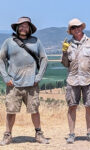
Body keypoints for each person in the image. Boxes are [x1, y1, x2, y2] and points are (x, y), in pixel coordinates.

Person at [0, 17, 49, 145]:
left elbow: (44, 59)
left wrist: (38, 77)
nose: (23, 28)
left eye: (26, 26)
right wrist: (5, 77)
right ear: (17, 28)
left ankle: (39, 134)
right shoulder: (8, 42)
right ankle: (7, 135)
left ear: (29, 28)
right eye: (21, 26)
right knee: (11, 111)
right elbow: (1, 59)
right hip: (13, 84)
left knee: (35, 110)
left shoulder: (36, 41)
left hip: (31, 84)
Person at [61, 18, 90, 144]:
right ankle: (71, 134)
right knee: (72, 106)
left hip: (89, 79)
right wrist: (64, 52)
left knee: (89, 106)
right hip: (72, 80)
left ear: (82, 27)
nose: (76, 29)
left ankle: (89, 133)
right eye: (73, 28)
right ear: (70, 31)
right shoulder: (68, 44)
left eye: (78, 26)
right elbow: (65, 64)